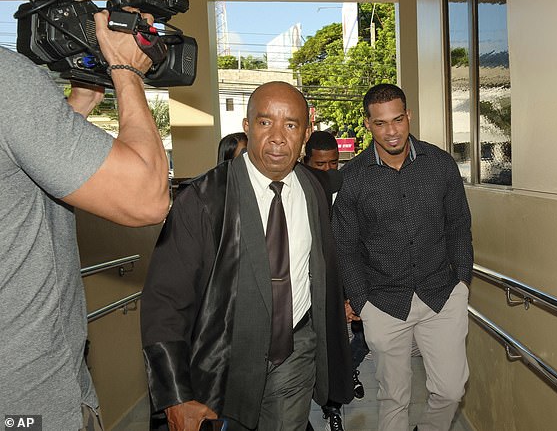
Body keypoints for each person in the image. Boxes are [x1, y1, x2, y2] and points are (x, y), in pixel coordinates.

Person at [141, 81, 353, 431]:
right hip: (223, 360)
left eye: (290, 125)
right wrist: (175, 394)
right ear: (247, 126)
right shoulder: (204, 199)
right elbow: (165, 299)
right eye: (265, 122)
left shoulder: (316, 188)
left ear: (306, 132)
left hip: (294, 353)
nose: (277, 137)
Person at [0, 9, 169, 431]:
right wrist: (125, 70)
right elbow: (147, 197)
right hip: (28, 403)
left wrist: (81, 100)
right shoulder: (6, 80)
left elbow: (19, 179)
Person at [332, 84, 473, 431]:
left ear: (408, 116)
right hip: (383, 302)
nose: (391, 131)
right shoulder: (352, 178)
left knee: (450, 389)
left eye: (397, 119)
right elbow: (345, 246)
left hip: (441, 294)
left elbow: (459, 226)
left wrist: (462, 283)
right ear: (367, 124)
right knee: (394, 397)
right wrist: (361, 301)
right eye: (380, 123)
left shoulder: (440, 164)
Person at [303, 131, 368, 431]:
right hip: (313, 285)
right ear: (306, 162)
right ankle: (332, 408)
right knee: (321, 347)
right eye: (320, 165)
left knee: (364, 339)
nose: (328, 171)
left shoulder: (348, 187)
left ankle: (344, 371)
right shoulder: (297, 191)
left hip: (349, 277)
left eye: (333, 164)